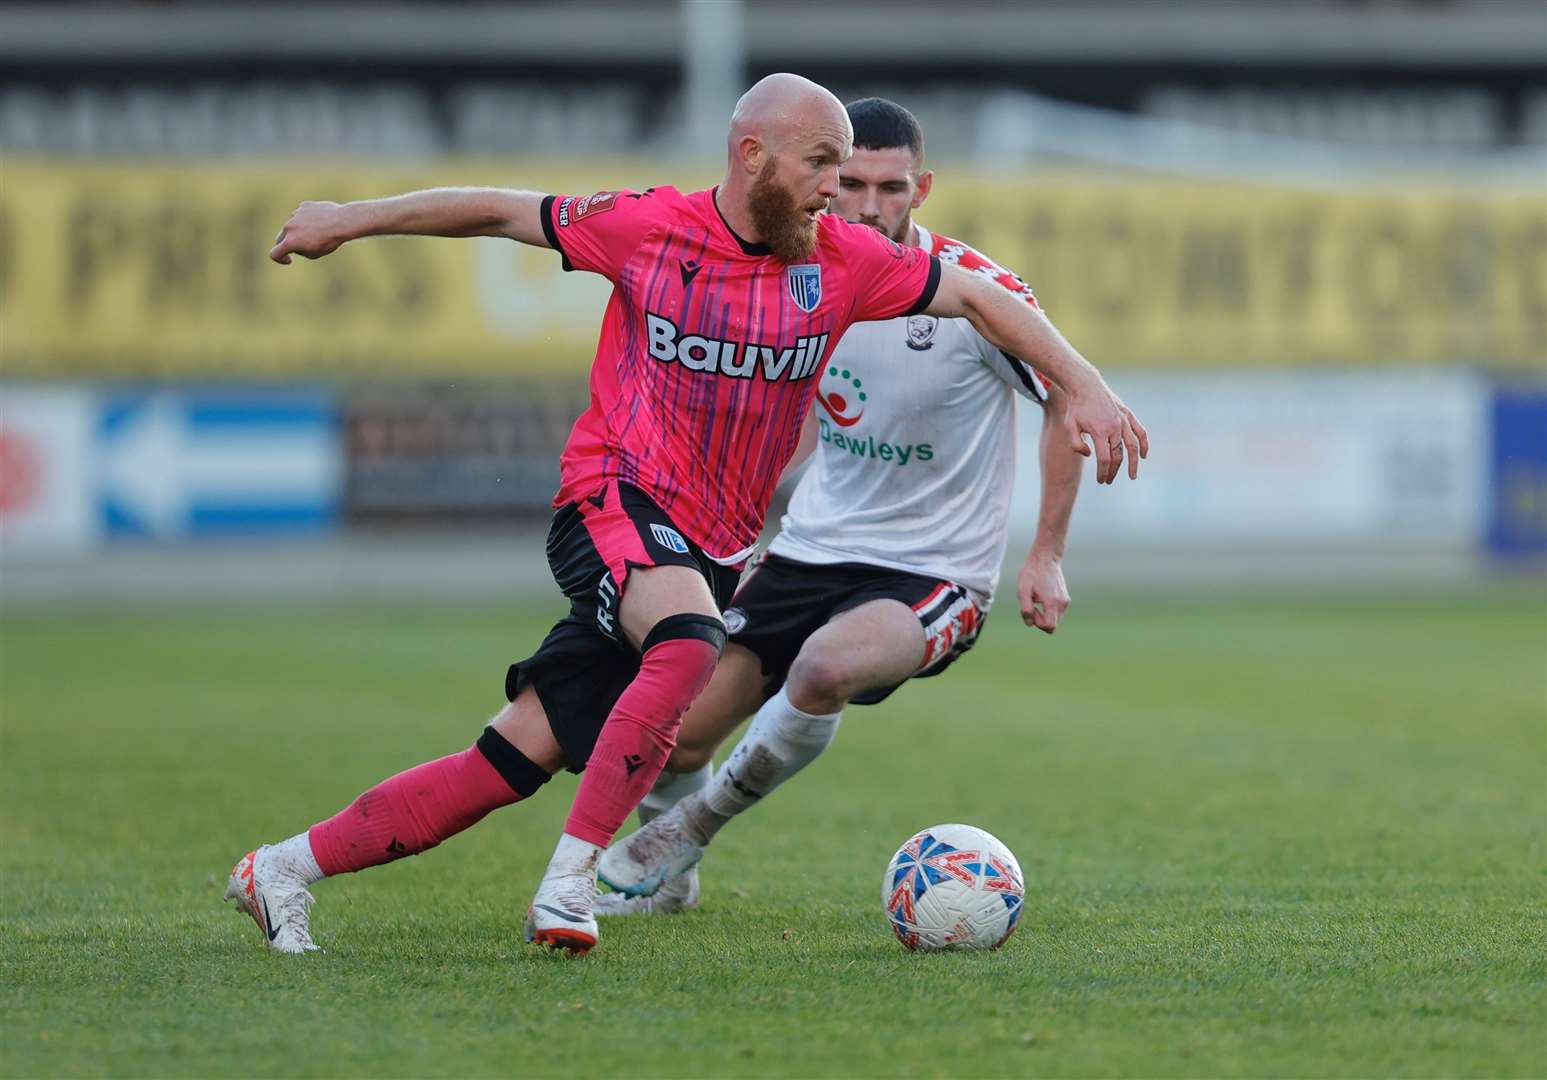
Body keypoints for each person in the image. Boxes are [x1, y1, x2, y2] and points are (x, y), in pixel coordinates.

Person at [225, 74, 1147, 957]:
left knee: (511, 760)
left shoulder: (842, 263)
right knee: (690, 641)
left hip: (714, 545)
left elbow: (983, 298)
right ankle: (575, 881)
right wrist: (350, 220)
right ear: (754, 157)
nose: (841, 192)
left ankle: (282, 869)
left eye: (860, 174)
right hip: (612, 496)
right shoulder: (648, 227)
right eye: (825, 166)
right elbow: (503, 208)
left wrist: (1087, 384)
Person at [594, 97, 1084, 913]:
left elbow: (1066, 401)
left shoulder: (975, 294)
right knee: (677, 729)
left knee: (825, 668)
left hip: (934, 569)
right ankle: (669, 882)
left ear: (921, 188)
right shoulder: (795, 276)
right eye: (849, 182)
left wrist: (1047, 553)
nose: (867, 205)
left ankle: (689, 830)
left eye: (890, 187)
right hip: (810, 548)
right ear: (821, 179)